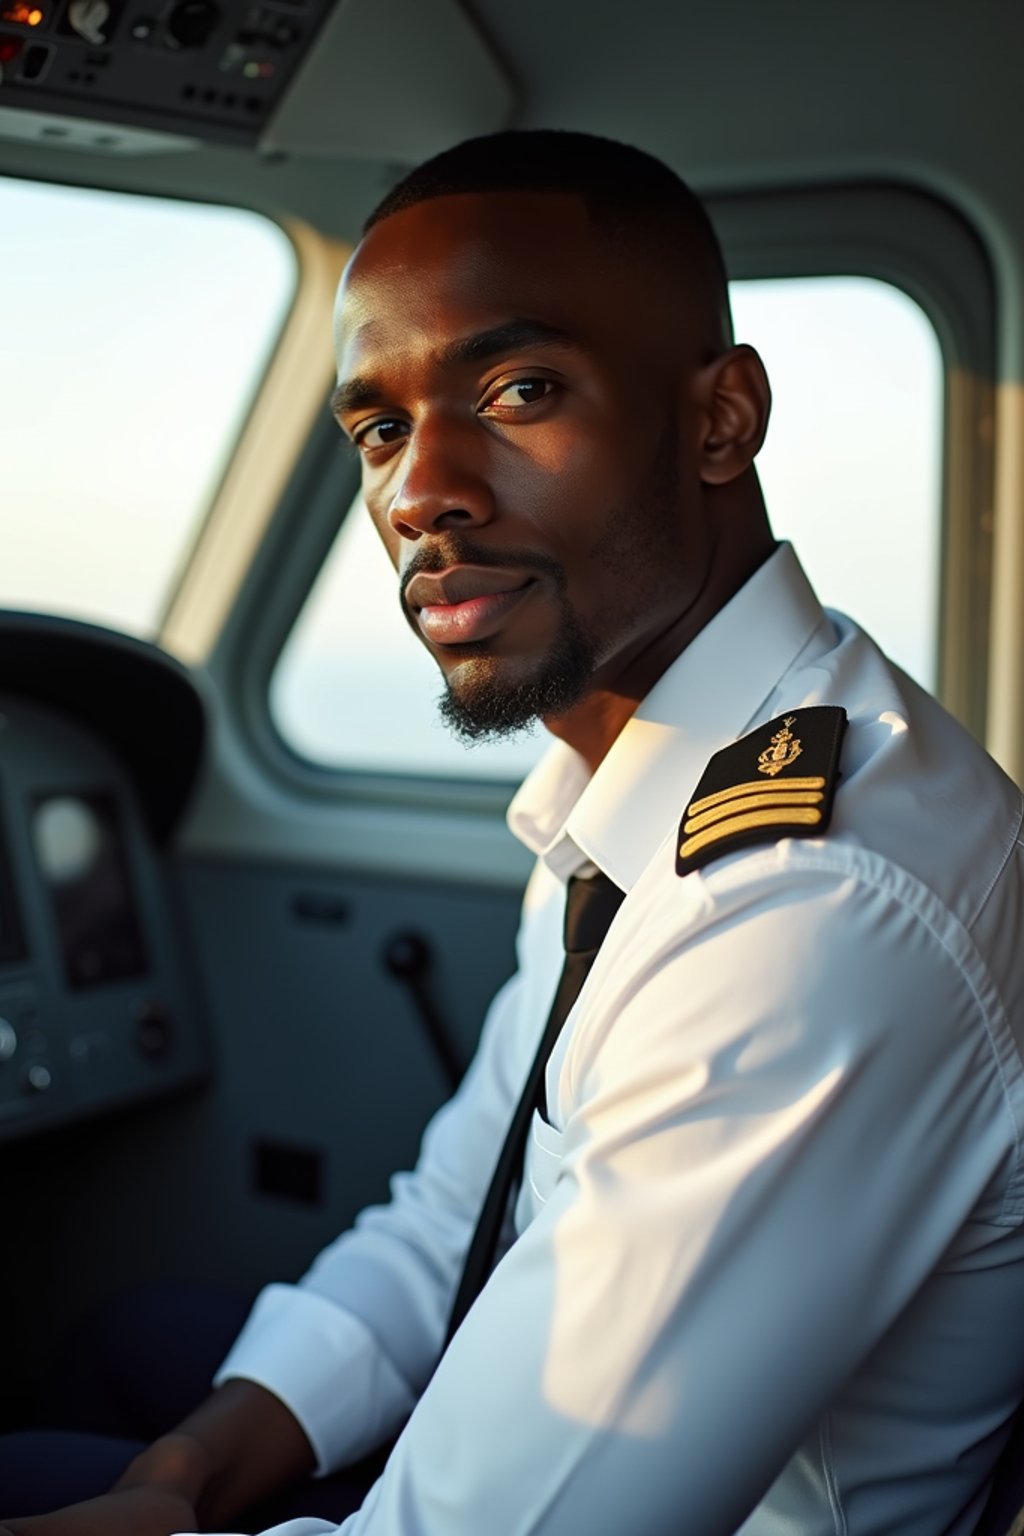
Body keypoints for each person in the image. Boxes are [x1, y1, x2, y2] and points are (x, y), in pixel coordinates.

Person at [4, 128, 1024, 1536]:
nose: (419, 492)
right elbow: (460, 1215)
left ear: (721, 419)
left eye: (520, 388)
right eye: (378, 430)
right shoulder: (658, 783)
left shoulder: (801, 906)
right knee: (134, 1355)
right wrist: (185, 1478)